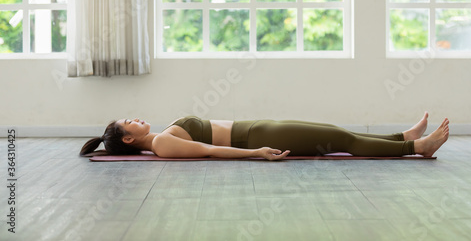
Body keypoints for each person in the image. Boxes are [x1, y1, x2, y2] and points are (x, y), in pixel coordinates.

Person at [79, 112, 449, 161]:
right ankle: (417, 147)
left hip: (255, 126)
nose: (137, 118)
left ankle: (403, 135)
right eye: (129, 122)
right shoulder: (162, 144)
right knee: (341, 142)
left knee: (337, 133)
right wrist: (256, 152)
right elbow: (208, 150)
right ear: (128, 139)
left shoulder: (160, 136)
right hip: (254, 135)